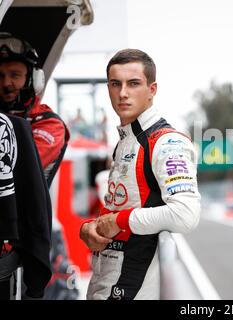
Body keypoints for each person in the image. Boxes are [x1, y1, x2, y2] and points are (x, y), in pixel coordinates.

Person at [79, 49, 201, 300]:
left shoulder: (167, 142)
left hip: (133, 287)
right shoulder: (126, 141)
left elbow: (186, 214)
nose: (122, 93)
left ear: (152, 90)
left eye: (133, 84)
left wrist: (119, 221)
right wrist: (88, 228)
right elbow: (122, 204)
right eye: (115, 84)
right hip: (105, 277)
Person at [0, 33, 75, 299]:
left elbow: (15, 165)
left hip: (22, 242)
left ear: (32, 79)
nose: (7, 83)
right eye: (0, 76)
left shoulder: (48, 123)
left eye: (15, 74)